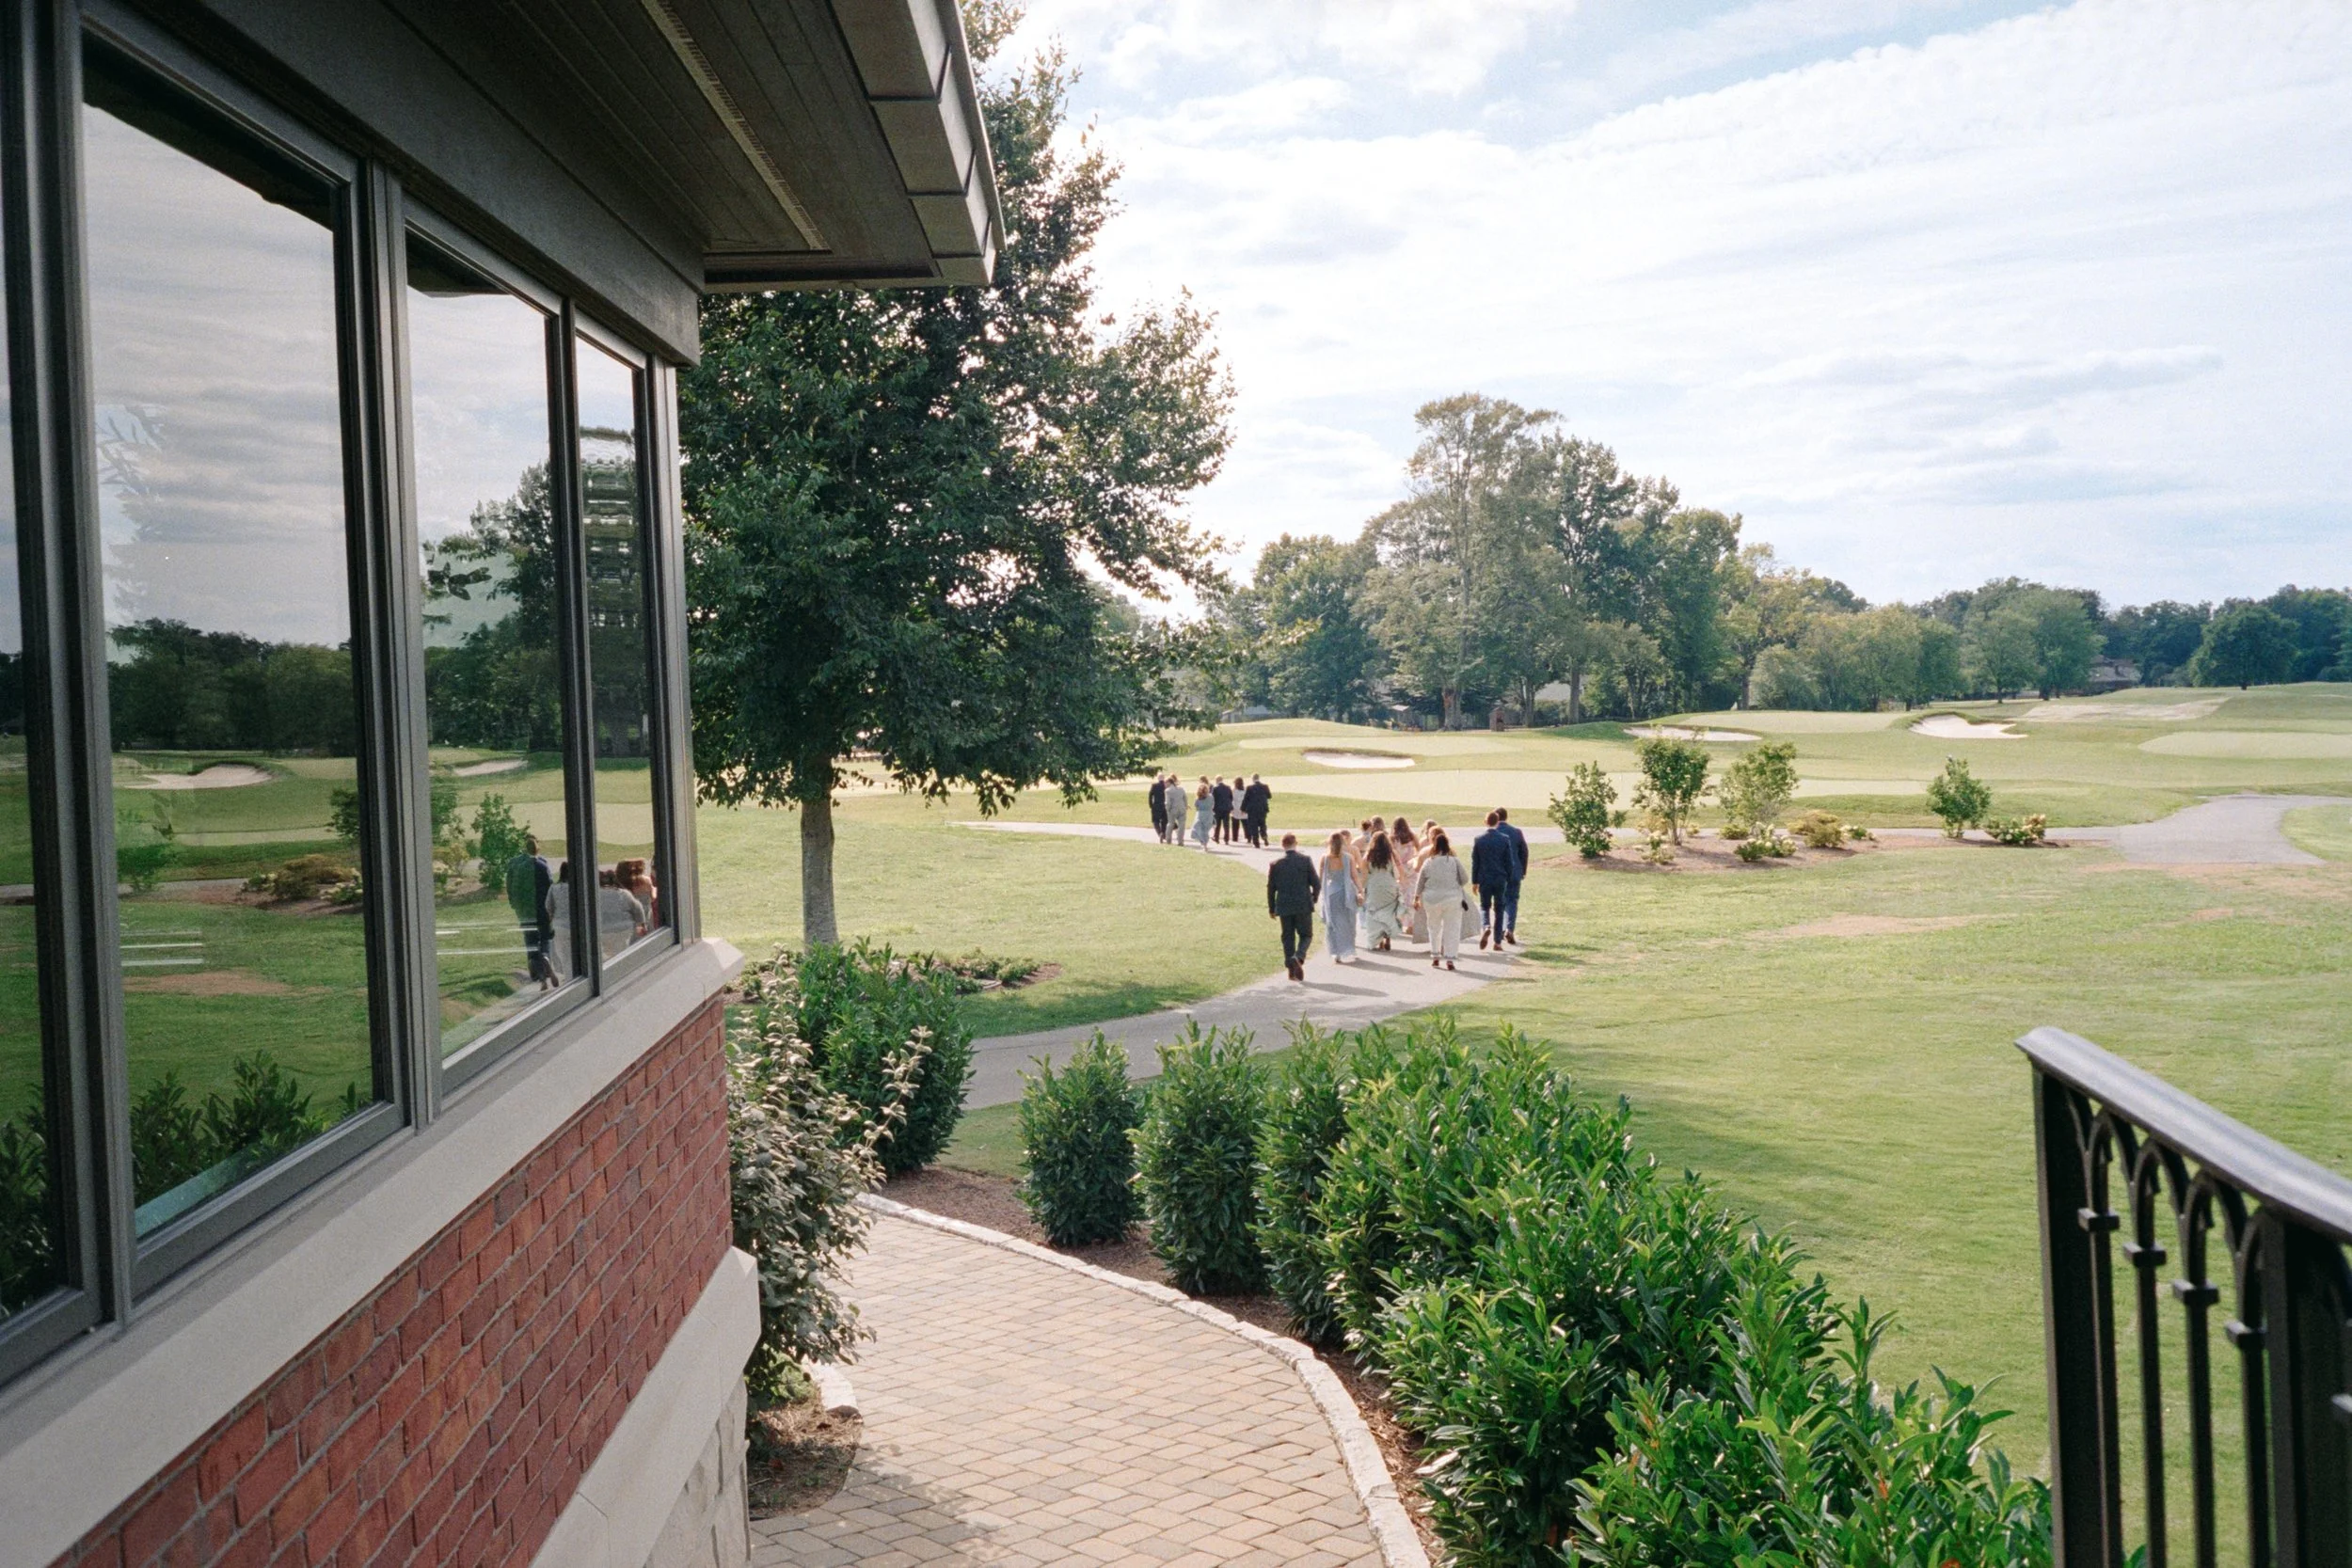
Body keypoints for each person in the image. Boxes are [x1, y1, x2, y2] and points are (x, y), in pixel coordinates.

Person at [1266, 831, 1320, 980]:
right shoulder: (1305, 860)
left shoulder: (1276, 864)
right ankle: (1299, 956)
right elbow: (1316, 883)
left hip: (1284, 906)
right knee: (1306, 935)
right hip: (1303, 904)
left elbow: (1271, 888)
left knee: (1288, 937)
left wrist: (1271, 908)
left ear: (1282, 845)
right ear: (1296, 844)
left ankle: (1291, 969)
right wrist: (1314, 898)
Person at [503, 832, 555, 990]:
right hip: (541, 909)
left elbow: (510, 886)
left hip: (525, 911)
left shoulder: (515, 864)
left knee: (531, 940)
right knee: (545, 937)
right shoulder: (543, 864)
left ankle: (535, 972)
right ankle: (545, 957)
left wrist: (514, 904)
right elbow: (549, 887)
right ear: (537, 846)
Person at [1417, 829, 1470, 971]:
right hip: (1452, 898)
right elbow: (1465, 879)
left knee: (1434, 927)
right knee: (1452, 928)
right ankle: (1450, 958)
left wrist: (1417, 897)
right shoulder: (1454, 861)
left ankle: (1435, 956)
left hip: (1432, 899)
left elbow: (1420, 881)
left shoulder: (1429, 862)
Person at [1471, 811, 1515, 951]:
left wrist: (1475, 881)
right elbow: (1509, 861)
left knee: (1484, 906)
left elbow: (1475, 862)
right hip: (1500, 878)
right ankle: (1497, 942)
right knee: (1499, 909)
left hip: (1484, 878)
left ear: (1485, 822)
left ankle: (1486, 926)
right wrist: (1508, 876)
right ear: (1497, 822)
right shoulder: (1504, 839)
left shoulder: (1479, 839)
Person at [1320, 831, 1361, 963]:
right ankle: (1349, 948)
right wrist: (1361, 890)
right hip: (1346, 892)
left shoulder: (1325, 858)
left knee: (1333, 923)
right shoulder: (1348, 858)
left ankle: (1336, 951)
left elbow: (1321, 879)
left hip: (1332, 893)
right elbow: (1354, 876)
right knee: (1348, 922)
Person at [1360, 832, 1403, 952]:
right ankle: (1387, 935)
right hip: (1389, 884)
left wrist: (1362, 889)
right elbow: (1400, 870)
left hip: (1374, 886)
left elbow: (1364, 875)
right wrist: (1399, 882)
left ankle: (1378, 939)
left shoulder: (1368, 856)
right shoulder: (1391, 854)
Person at [1494, 807, 1529, 945]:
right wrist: (1523, 870)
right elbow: (1524, 852)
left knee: (1499, 902)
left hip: (1498, 873)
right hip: (1514, 872)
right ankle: (1510, 928)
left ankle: (1501, 929)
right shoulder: (1516, 832)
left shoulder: (1493, 832)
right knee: (1512, 901)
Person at [1391, 818, 1422, 942]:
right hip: (1411, 867)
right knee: (1411, 895)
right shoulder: (1412, 836)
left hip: (1399, 869)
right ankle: (1411, 925)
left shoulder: (1392, 838)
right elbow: (1420, 850)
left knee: (1399, 896)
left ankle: (1398, 921)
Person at [1242, 774, 1272, 847]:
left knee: (1253, 825)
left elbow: (1246, 799)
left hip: (1252, 810)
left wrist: (1243, 809)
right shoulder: (1265, 786)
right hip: (1262, 809)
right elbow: (1269, 796)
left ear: (1252, 779)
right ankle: (1264, 835)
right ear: (1259, 778)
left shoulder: (1249, 788)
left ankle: (1256, 842)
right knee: (1262, 823)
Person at [1190, 779, 1215, 848]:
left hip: (1200, 815)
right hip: (1209, 815)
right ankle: (1205, 843)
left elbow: (1196, 806)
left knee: (1199, 829)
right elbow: (1212, 804)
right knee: (1205, 830)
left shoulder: (1198, 799)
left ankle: (1203, 842)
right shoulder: (1210, 797)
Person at [1212, 776, 1234, 844]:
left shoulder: (1215, 788)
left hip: (1218, 809)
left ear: (1217, 780)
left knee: (1217, 824)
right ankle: (1226, 839)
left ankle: (1216, 838)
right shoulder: (1228, 787)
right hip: (1226, 808)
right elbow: (1231, 797)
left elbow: (1213, 799)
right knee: (1226, 825)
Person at [1149, 772, 1168, 841]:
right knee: (1164, 821)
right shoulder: (1166, 786)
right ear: (1164, 778)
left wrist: (1151, 805)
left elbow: (1150, 796)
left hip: (1156, 805)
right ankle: (1164, 833)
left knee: (1155, 821)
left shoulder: (1154, 785)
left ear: (1158, 778)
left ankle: (1160, 833)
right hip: (1165, 806)